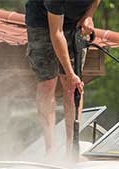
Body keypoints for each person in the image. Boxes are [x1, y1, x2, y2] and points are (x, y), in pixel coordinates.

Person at [25, 0, 101, 158]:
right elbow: (56, 32)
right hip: (43, 23)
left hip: (74, 23)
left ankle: (72, 149)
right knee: (47, 82)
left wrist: (89, 16)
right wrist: (70, 72)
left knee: (73, 87)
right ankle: (50, 151)